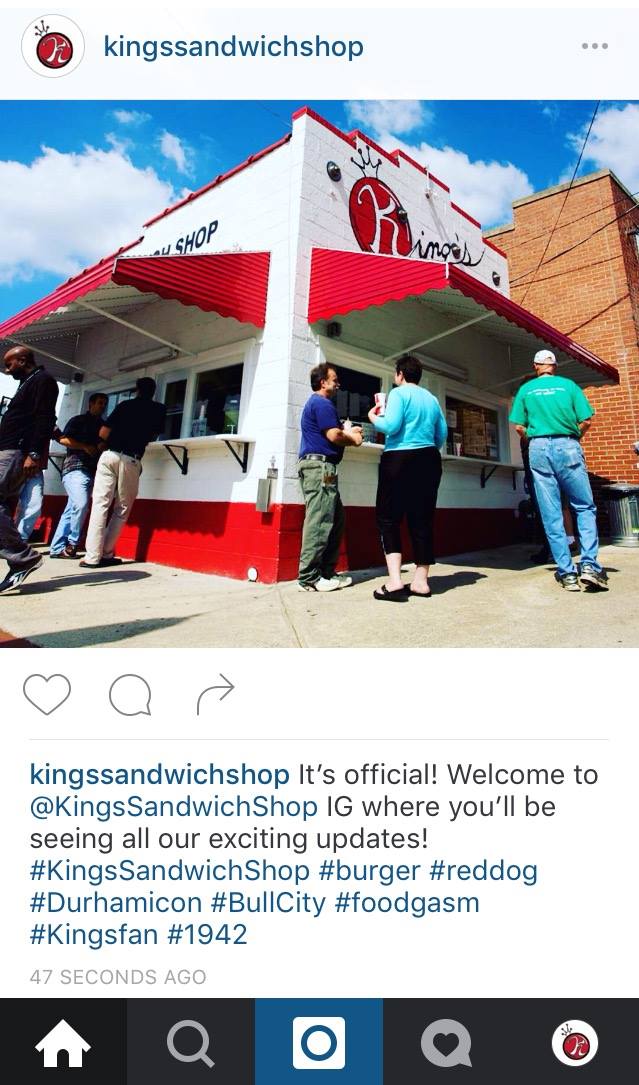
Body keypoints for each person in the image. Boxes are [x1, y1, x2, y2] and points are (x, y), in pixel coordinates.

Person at [509, 349, 607, 591]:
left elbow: (519, 427)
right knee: (583, 506)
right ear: (554, 366)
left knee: (550, 511)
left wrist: (535, 439)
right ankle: (589, 566)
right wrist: (573, 437)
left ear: (535, 366)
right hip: (568, 443)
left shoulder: (526, 389)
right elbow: (586, 420)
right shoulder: (569, 386)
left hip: (538, 447)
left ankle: (567, 573)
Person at [368, 354, 447, 601]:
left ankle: (395, 582)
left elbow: (391, 427)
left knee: (388, 518)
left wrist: (373, 418)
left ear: (400, 374)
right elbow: (442, 434)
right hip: (429, 459)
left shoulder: (398, 393)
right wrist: (426, 448)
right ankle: (421, 582)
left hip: (399, 458)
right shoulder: (432, 399)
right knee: (422, 519)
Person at [79, 378, 166, 569]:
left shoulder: (124, 405)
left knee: (100, 505)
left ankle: (92, 557)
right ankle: (107, 553)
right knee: (122, 508)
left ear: (137, 390)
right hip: (131, 459)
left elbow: (103, 433)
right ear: (153, 391)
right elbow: (154, 435)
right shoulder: (159, 409)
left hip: (109, 456)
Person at [297, 363, 363, 591]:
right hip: (320, 468)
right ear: (323, 382)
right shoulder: (322, 403)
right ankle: (309, 578)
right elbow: (334, 436)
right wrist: (353, 438)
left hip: (322, 468)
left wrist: (346, 431)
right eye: (334, 380)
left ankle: (325, 573)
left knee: (335, 519)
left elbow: (332, 432)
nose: (338, 384)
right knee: (320, 519)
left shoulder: (317, 404)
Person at [0, 346, 58, 593]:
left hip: (17, 451)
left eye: (9, 364)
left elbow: (45, 418)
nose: (6, 370)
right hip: (8, 450)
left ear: (23, 360)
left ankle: (23, 558)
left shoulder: (43, 380)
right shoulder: (27, 382)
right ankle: (20, 558)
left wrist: (33, 453)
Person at [49, 392, 108, 558]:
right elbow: (63, 439)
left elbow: (104, 444)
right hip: (75, 468)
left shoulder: (103, 425)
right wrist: (84, 446)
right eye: (100, 403)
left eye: (105, 404)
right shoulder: (78, 420)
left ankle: (56, 548)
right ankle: (72, 544)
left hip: (93, 471)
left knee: (72, 508)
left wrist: (102, 446)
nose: (103, 406)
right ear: (91, 404)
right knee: (81, 505)